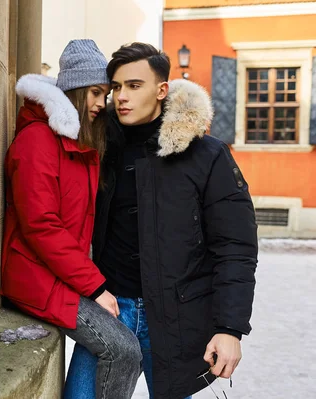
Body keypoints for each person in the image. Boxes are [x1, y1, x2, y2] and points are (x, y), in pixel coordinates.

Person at [63, 42, 258, 399]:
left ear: (161, 90)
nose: (121, 96)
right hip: (109, 308)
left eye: (134, 86)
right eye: (116, 87)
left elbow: (235, 247)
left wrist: (230, 328)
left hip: (175, 317)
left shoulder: (207, 155)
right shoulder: (98, 147)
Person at [1, 39, 142, 399]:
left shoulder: (78, 141)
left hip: (61, 274)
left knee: (126, 346)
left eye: (105, 94)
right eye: (96, 93)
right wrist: (95, 286)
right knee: (122, 349)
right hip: (34, 276)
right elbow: (41, 226)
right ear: (76, 89)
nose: (101, 103)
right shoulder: (37, 141)